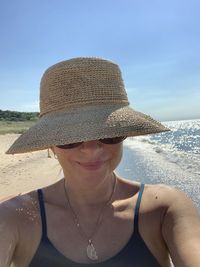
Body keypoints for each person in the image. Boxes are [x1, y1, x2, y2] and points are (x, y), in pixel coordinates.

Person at [0, 57, 199, 267]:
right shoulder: (12, 216)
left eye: (109, 134)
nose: (91, 148)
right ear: (51, 145)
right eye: (70, 137)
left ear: (124, 133)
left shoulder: (165, 209)